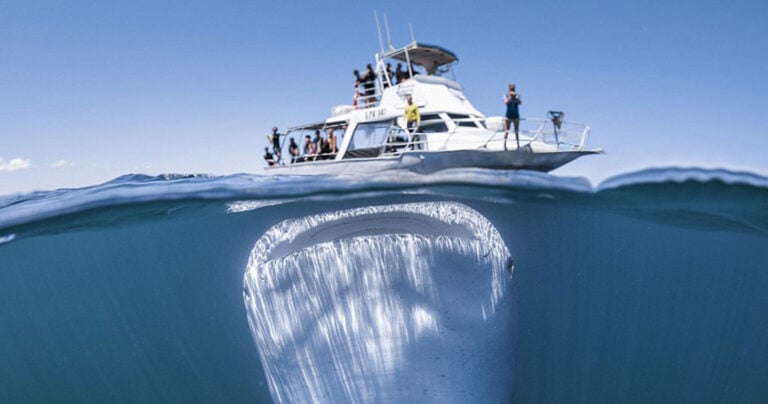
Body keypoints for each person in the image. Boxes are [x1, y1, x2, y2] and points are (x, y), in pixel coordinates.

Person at [504, 83, 522, 150]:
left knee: (516, 131)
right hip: (508, 116)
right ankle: (504, 145)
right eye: (511, 89)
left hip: (516, 116)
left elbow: (520, 103)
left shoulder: (517, 95)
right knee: (506, 131)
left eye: (513, 89)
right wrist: (510, 97)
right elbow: (506, 102)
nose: (512, 90)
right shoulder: (506, 95)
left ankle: (518, 144)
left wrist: (516, 97)